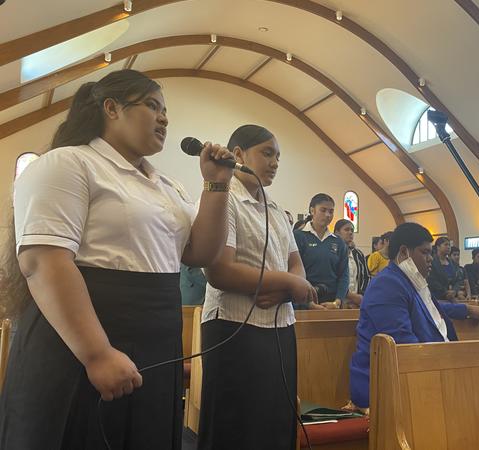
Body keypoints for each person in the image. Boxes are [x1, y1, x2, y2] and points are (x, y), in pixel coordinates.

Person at [0, 69, 234, 449]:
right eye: (152, 106)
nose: (164, 118)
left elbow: (200, 253)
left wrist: (216, 184)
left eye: (166, 111)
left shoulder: (166, 184)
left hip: (154, 338)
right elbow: (43, 261)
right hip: (81, 336)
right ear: (111, 108)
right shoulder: (69, 163)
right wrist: (97, 353)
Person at [198, 125, 316, 449]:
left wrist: (287, 286)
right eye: (267, 152)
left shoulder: (275, 209)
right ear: (238, 155)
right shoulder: (224, 197)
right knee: (237, 425)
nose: (275, 162)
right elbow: (220, 270)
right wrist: (289, 283)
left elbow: (297, 265)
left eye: (278, 156)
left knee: (276, 419)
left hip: (279, 324)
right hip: (234, 325)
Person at [348, 223, 479, 410]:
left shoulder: (409, 280)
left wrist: (466, 309)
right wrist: (446, 366)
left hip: (416, 373)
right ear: (404, 251)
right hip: (385, 385)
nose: (431, 259)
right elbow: (404, 344)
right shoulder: (386, 284)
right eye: (425, 253)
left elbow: (429, 308)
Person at [294, 194, 349, 309]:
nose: (328, 215)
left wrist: (337, 302)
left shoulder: (338, 242)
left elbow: (344, 275)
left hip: (331, 303)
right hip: (303, 302)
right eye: (323, 210)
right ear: (312, 210)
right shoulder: (298, 236)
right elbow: (293, 272)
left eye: (331, 211)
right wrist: (308, 304)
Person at [334, 219, 370, 308]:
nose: (350, 233)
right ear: (337, 233)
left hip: (357, 302)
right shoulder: (332, 253)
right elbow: (331, 279)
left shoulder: (358, 254)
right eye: (346, 230)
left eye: (352, 230)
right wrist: (350, 296)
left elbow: (365, 277)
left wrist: (361, 296)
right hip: (336, 300)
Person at [428, 237, 465, 301]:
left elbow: (458, 280)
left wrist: (454, 290)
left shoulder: (453, 263)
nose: (448, 247)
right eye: (446, 244)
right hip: (437, 296)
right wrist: (445, 292)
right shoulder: (432, 262)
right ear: (438, 247)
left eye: (449, 245)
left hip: (452, 296)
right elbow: (431, 280)